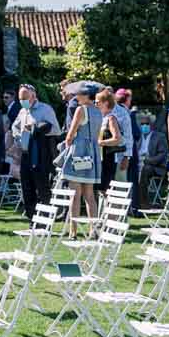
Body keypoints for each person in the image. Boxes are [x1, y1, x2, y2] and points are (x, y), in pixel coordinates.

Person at [63, 88, 113, 231]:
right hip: (92, 154)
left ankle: (73, 231)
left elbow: (70, 134)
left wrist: (68, 145)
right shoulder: (98, 111)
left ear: (86, 96)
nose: (77, 96)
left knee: (75, 195)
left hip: (79, 152)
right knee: (90, 195)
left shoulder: (81, 110)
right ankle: (94, 229)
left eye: (79, 94)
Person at [11, 85, 58, 213]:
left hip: (40, 153)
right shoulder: (22, 111)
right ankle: (31, 217)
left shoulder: (45, 109)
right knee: (27, 187)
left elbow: (56, 130)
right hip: (25, 153)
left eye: (25, 98)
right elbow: (14, 127)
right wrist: (18, 138)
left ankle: (44, 218)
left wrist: (37, 127)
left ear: (33, 96)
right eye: (20, 99)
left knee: (42, 187)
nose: (22, 101)